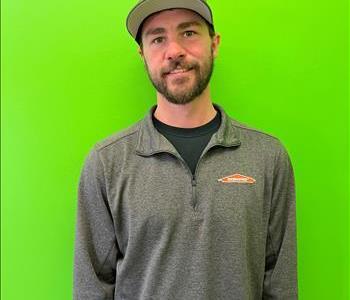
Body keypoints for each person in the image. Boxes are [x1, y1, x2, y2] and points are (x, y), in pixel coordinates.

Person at [73, 0, 298, 299]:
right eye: (157, 39)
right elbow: (92, 288)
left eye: (189, 33)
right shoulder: (106, 163)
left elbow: (280, 285)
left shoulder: (268, 157)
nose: (174, 51)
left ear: (214, 44)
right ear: (143, 55)